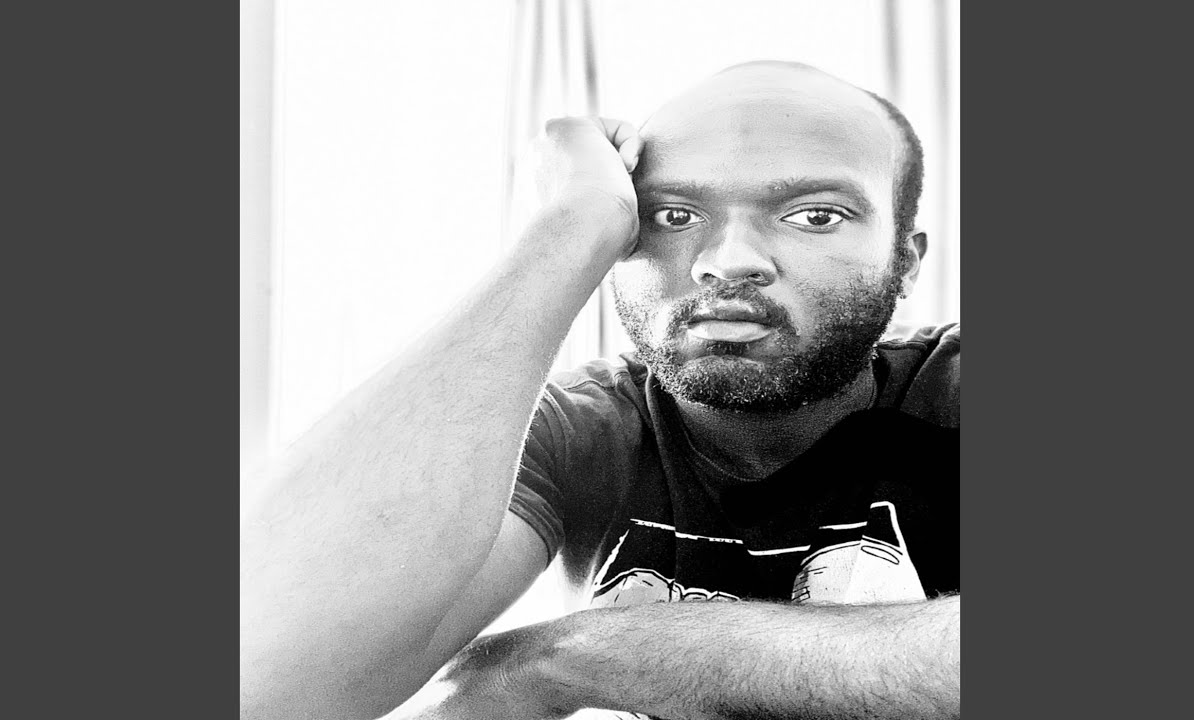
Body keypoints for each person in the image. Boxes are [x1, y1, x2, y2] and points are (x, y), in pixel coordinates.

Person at [241, 60, 960, 720]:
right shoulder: (569, 429)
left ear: (905, 262)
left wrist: (570, 658)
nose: (728, 262)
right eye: (672, 216)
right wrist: (572, 225)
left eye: (815, 215)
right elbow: (261, 678)